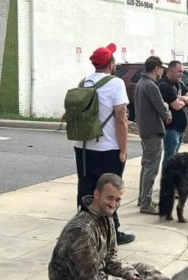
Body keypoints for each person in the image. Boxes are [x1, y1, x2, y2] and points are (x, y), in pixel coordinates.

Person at [49, 174, 169, 280]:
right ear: (97, 194)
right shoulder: (81, 230)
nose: (113, 204)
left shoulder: (106, 215)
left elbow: (111, 258)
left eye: (118, 200)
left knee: (146, 270)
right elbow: (89, 276)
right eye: (110, 198)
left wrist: (130, 274)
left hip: (98, 270)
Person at [74, 43, 134, 245]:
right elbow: (120, 118)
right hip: (107, 148)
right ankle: (112, 233)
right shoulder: (116, 83)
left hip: (82, 146)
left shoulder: (84, 82)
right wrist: (124, 149)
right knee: (111, 192)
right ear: (111, 63)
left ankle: (82, 232)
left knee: (87, 189)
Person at [134, 56, 171, 215]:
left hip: (144, 129)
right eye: (161, 68)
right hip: (153, 130)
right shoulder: (150, 86)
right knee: (151, 168)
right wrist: (167, 111)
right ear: (156, 68)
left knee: (146, 165)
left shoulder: (141, 83)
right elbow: (161, 107)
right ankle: (146, 204)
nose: (162, 71)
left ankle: (143, 198)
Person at [159, 61, 188, 169]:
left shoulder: (179, 84)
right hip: (171, 129)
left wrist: (181, 97)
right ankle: (166, 182)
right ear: (170, 70)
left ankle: (172, 181)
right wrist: (183, 100)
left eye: (182, 71)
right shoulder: (164, 85)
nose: (181, 74)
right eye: (179, 71)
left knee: (175, 158)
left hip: (180, 128)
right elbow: (176, 106)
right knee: (170, 158)